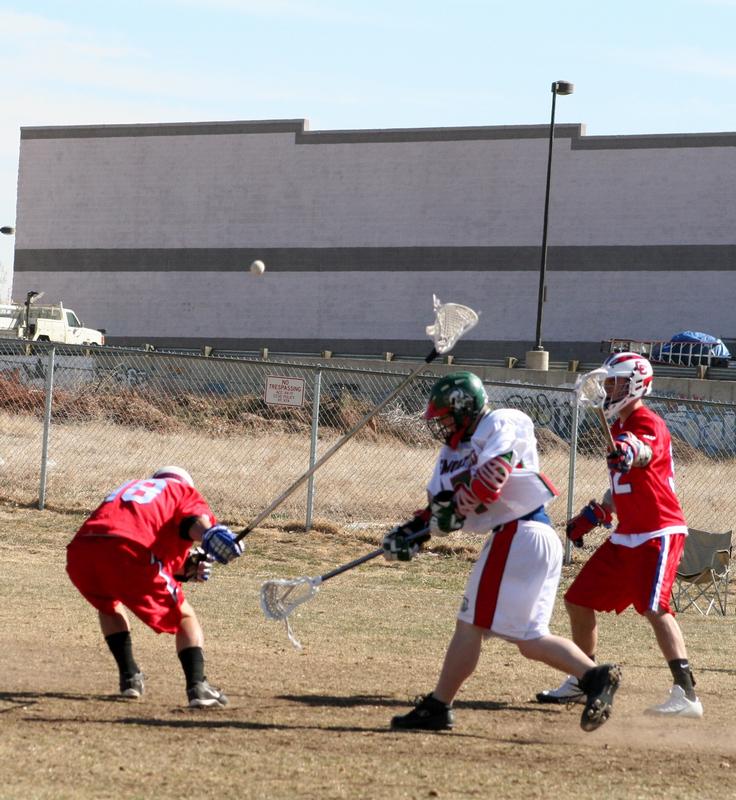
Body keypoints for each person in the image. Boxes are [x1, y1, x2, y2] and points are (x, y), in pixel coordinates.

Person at [383, 371, 621, 733]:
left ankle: (439, 706)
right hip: (524, 538)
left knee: (471, 624)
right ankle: (595, 676)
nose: (442, 425)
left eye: (447, 417)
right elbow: (439, 510)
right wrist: (411, 533)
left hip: (519, 533)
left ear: (465, 410)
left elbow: (494, 475)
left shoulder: (500, 421)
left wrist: (455, 507)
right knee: (529, 638)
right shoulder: (450, 453)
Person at [537, 352, 703, 718]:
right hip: (628, 534)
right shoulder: (618, 429)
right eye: (608, 382)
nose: (609, 389)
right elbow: (622, 484)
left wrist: (627, 451)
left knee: (655, 607)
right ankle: (586, 679)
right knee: (578, 599)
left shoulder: (647, 422)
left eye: (615, 382)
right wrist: (597, 513)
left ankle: (687, 695)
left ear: (636, 384)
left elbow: (642, 451)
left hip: (658, 530)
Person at [66, 465, 244, 708]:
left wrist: (187, 567)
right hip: (130, 551)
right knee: (185, 616)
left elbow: (136, 534)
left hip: (82, 552)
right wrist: (211, 535)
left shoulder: (130, 488)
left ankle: (130, 677)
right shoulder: (183, 492)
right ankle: (198, 687)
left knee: (108, 604)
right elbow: (192, 523)